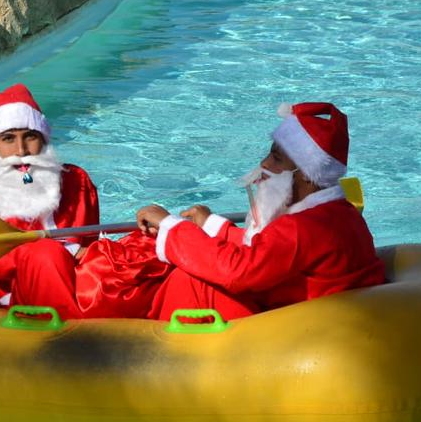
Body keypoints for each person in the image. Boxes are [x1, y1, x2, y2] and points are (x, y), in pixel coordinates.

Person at [134, 102, 386, 321]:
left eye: (276, 158)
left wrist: (170, 225)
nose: (264, 163)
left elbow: (239, 272)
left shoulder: (303, 227)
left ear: (308, 175)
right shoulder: (343, 214)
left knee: (191, 282)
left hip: (295, 335)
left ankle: (150, 349)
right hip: (321, 319)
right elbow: (269, 251)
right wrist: (212, 225)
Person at [0, 84, 99, 314]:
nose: (21, 151)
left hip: (77, 283)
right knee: (46, 255)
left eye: (30, 136)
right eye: (8, 139)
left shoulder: (77, 181)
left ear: (43, 138)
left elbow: (90, 243)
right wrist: (68, 252)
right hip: (8, 295)